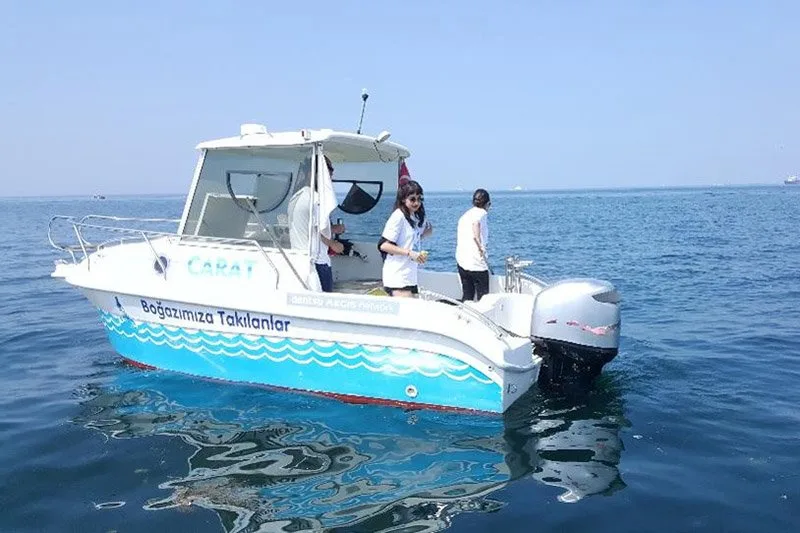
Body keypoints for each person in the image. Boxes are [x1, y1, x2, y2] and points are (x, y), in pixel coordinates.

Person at [288, 155, 345, 292]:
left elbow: (312, 227)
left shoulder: (296, 197)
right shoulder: (316, 200)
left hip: (299, 261)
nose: (331, 174)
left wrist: (333, 229)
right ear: (312, 173)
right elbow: (322, 235)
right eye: (327, 170)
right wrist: (337, 246)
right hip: (318, 265)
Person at [378, 180, 433, 297]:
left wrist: (423, 235)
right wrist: (410, 253)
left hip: (410, 276)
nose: (417, 203)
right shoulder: (398, 216)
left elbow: (408, 241)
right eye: (412, 199)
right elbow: (383, 245)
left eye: (419, 199)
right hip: (398, 277)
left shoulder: (413, 216)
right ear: (403, 199)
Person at [456, 188, 491, 302]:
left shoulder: (465, 215)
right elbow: (476, 224)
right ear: (487, 204)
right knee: (483, 299)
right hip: (476, 264)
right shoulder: (482, 213)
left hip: (462, 261)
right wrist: (480, 245)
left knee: (467, 297)